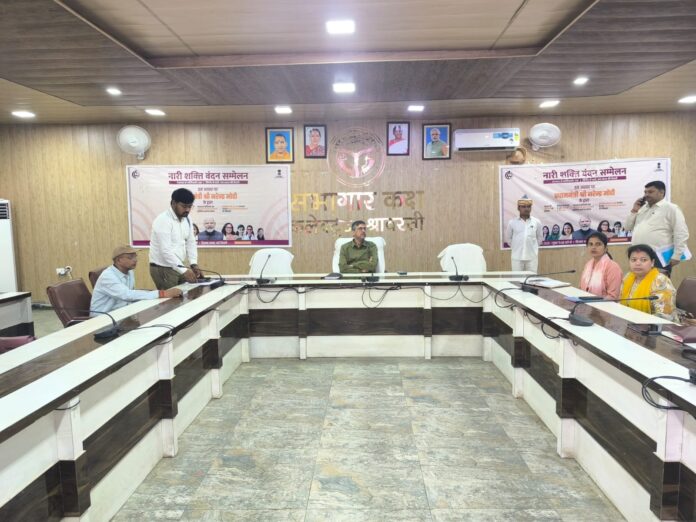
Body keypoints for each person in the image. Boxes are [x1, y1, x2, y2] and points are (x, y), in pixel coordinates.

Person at [91, 246, 182, 314]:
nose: (135, 260)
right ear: (118, 260)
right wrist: (162, 293)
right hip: (102, 319)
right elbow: (127, 295)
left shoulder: (129, 271)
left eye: (135, 257)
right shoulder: (108, 277)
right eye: (130, 258)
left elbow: (131, 294)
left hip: (121, 313)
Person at [625, 180, 689, 276]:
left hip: (659, 257)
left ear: (661, 192)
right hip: (638, 256)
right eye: (645, 192)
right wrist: (634, 210)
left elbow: (681, 233)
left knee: (659, 284)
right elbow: (627, 227)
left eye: (650, 192)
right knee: (640, 284)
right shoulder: (642, 208)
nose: (646, 195)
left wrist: (677, 255)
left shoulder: (671, 208)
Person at [149, 188, 202, 290]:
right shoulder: (163, 220)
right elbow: (165, 251)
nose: (187, 210)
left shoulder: (187, 219)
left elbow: (191, 242)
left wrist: (193, 263)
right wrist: (184, 270)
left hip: (179, 266)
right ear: (173, 203)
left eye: (190, 206)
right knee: (172, 299)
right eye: (184, 206)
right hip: (163, 268)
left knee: (186, 296)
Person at [620, 244, 677, 320]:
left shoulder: (660, 281)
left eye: (643, 260)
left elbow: (664, 315)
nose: (638, 263)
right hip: (631, 321)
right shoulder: (628, 278)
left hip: (658, 325)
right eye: (633, 260)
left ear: (652, 262)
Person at [505, 195, 543, 272]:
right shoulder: (512, 222)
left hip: (532, 258)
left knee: (531, 279)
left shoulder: (536, 222)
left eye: (528, 206)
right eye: (523, 207)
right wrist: (516, 247)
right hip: (517, 258)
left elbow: (540, 238)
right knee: (517, 278)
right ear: (518, 208)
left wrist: (532, 247)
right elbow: (508, 239)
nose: (526, 209)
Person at [579, 232, 623, 299]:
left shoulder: (613, 267)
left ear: (605, 248)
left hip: (604, 304)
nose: (593, 247)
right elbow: (581, 287)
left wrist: (593, 302)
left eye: (598, 244)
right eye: (590, 244)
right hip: (585, 303)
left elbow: (613, 296)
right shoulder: (588, 265)